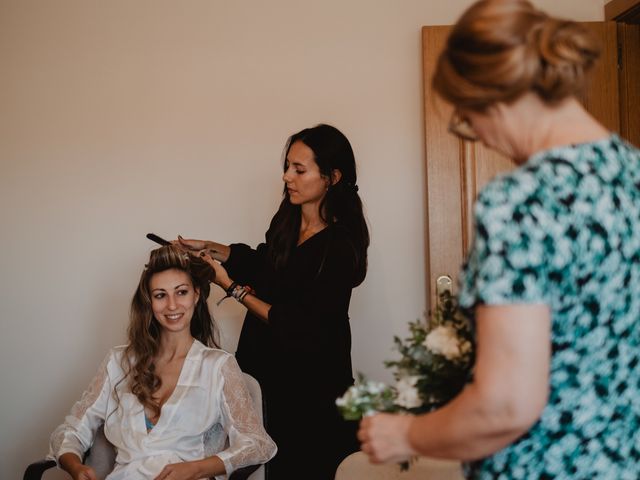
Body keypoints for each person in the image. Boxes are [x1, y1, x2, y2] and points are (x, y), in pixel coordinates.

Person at [358, 0, 640, 478]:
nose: (482, 138)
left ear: (493, 95)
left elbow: (504, 405)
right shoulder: (630, 174)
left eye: (468, 119)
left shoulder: (524, 199)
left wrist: (403, 433)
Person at [177, 123, 370, 479]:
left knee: (306, 467)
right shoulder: (287, 219)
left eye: (299, 169)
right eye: (287, 167)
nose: (287, 177)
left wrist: (230, 286)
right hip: (265, 367)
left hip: (313, 384)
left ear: (332, 176)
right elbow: (265, 265)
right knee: (259, 462)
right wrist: (211, 248)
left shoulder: (341, 246)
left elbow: (297, 324)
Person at [48, 246, 276, 480]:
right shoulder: (119, 362)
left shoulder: (218, 365)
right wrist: (77, 467)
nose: (172, 305)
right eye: (160, 295)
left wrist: (197, 468)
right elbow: (69, 432)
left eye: (181, 292)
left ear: (196, 294)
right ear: (149, 302)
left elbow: (258, 444)